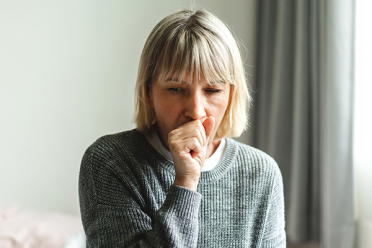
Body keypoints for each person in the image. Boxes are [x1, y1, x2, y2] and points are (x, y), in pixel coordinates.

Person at [79, 9, 286, 247]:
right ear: (148, 92)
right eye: (176, 90)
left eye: (213, 91)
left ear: (231, 95)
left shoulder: (261, 172)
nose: (196, 111)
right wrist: (186, 182)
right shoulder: (110, 161)